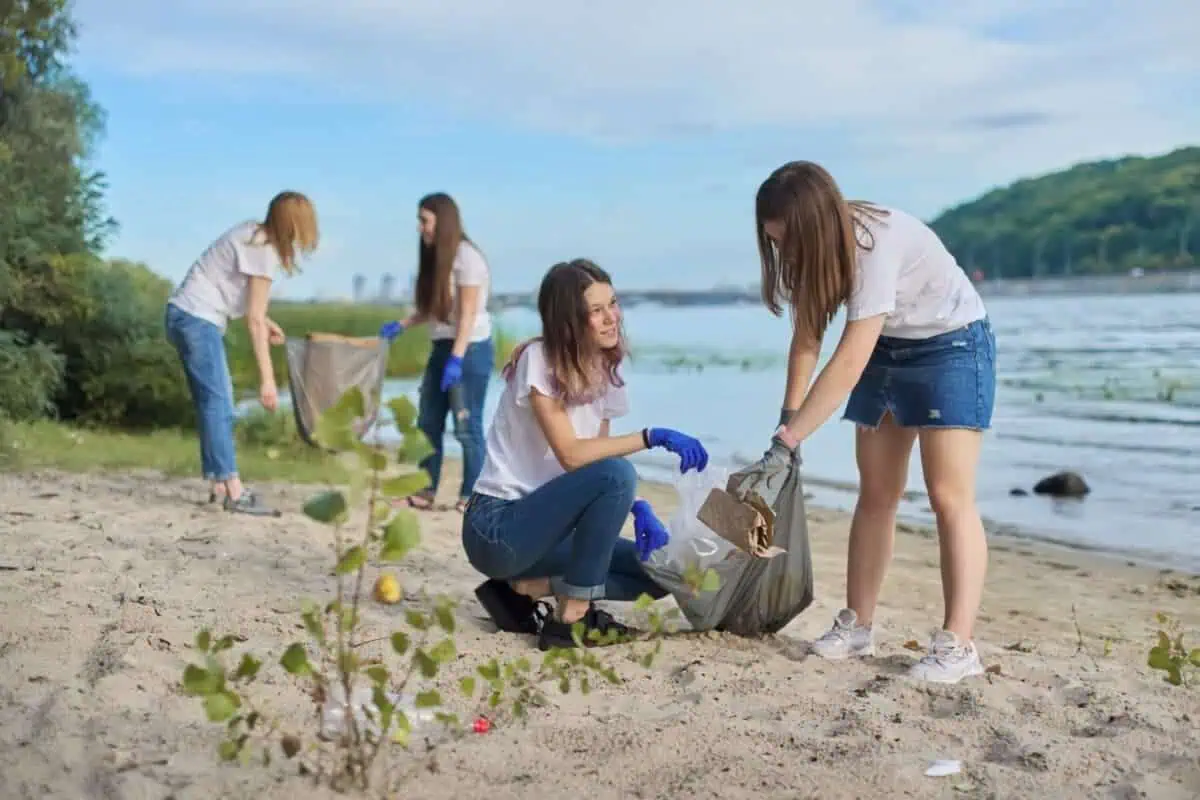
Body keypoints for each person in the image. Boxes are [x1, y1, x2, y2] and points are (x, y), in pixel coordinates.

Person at [749, 161, 996, 684]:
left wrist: (793, 438)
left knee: (948, 495)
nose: (784, 253)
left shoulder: (874, 243)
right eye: (775, 243)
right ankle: (858, 624)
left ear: (814, 225)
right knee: (877, 493)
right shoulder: (810, 252)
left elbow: (849, 359)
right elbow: (809, 339)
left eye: (788, 240)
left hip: (951, 344)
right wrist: (786, 422)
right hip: (889, 347)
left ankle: (958, 643)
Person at [460, 259, 709, 651]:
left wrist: (639, 507)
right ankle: (572, 618)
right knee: (619, 474)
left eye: (613, 303)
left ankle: (528, 589)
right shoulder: (538, 360)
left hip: (549, 535)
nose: (612, 318)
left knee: (660, 572)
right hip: (498, 527)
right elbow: (572, 455)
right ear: (569, 321)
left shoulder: (607, 369)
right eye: (596, 310)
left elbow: (598, 458)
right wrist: (650, 437)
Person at [164, 191, 320, 514]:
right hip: (197, 319)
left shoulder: (252, 234)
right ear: (294, 224)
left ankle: (219, 483)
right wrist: (267, 380)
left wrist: (267, 320)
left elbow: (243, 301)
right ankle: (234, 490)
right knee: (220, 402)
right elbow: (253, 319)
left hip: (184, 314)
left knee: (212, 402)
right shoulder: (263, 250)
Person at [380, 193, 493, 513]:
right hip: (443, 346)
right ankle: (424, 491)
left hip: (469, 349)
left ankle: (473, 496)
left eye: (425, 220)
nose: (420, 228)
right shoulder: (436, 258)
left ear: (443, 221)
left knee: (466, 427)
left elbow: (468, 316)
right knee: (428, 421)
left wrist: (456, 360)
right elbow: (433, 309)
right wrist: (401, 325)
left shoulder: (468, 258)